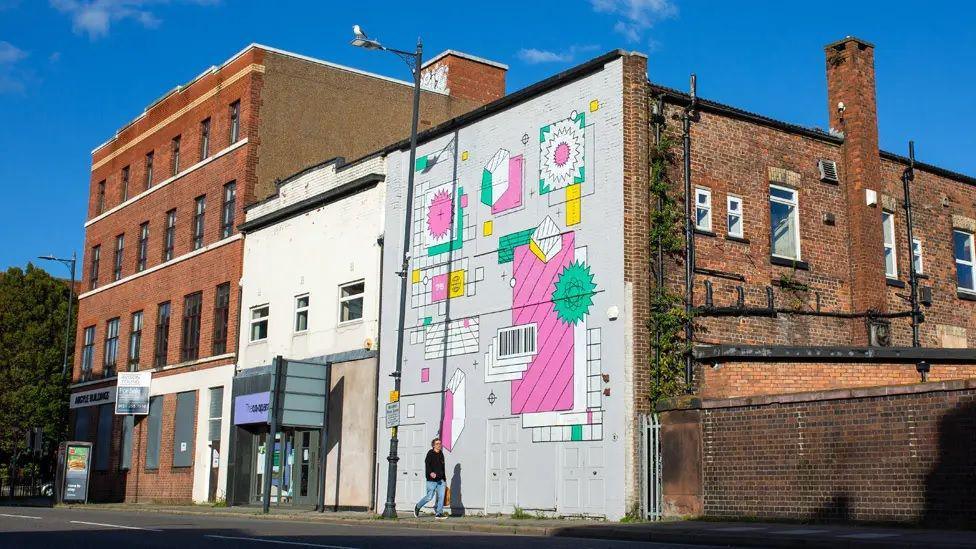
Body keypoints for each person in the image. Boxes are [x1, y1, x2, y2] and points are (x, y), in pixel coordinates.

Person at [414, 437, 447, 519]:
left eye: (440, 443)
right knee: (429, 497)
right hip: (431, 480)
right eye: (437, 444)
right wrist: (430, 472)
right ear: (433, 445)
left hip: (441, 480)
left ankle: (439, 513)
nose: (439, 445)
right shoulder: (430, 453)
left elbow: (442, 467)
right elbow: (427, 464)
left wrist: (444, 479)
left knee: (441, 496)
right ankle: (418, 506)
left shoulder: (441, 454)